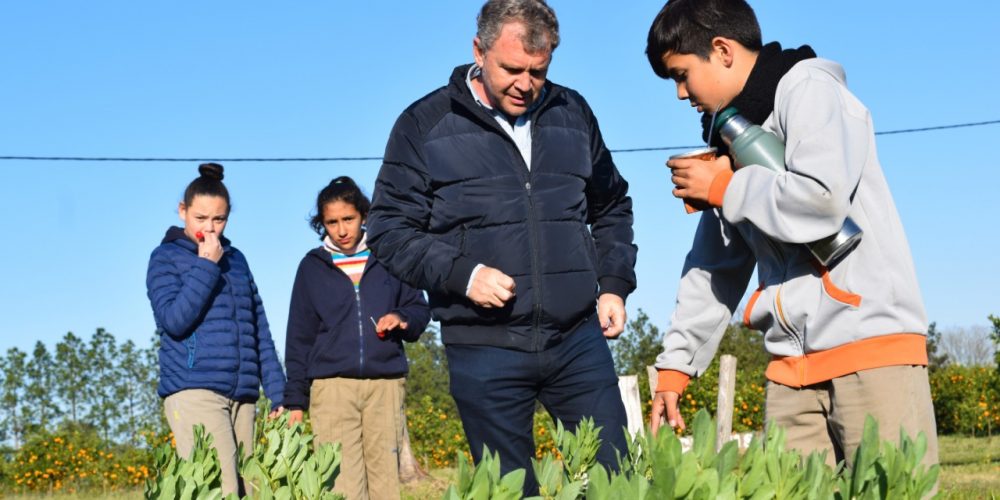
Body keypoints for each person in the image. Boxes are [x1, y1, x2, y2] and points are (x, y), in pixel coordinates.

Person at [645, 0, 938, 472]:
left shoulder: (809, 90)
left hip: (871, 353)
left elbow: (822, 200)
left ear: (722, 50)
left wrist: (726, 186)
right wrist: (675, 366)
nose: (681, 94)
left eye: (682, 74)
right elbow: (715, 264)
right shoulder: (730, 140)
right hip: (790, 372)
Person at [366, 0, 638, 493]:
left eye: (538, 71)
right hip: (483, 346)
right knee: (511, 490)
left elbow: (612, 206)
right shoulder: (424, 125)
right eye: (511, 68)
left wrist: (614, 284)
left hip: (577, 340)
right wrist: (463, 274)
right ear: (479, 50)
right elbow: (388, 230)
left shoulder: (572, 113)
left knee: (616, 481)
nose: (525, 83)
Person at [283, 176, 430, 500]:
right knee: (341, 486)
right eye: (331, 222)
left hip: (385, 385)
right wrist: (295, 399)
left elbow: (419, 309)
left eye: (348, 219)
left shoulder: (389, 257)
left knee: (385, 485)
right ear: (322, 224)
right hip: (331, 388)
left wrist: (402, 319)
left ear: (363, 215)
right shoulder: (311, 267)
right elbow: (299, 338)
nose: (341, 229)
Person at [146, 163, 286, 496]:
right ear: (183, 211)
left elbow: (258, 326)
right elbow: (174, 321)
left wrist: (278, 391)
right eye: (201, 218)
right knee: (218, 490)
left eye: (219, 219)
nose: (210, 228)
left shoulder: (237, 259)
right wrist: (206, 265)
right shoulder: (164, 258)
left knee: (253, 489)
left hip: (243, 395)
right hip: (195, 391)